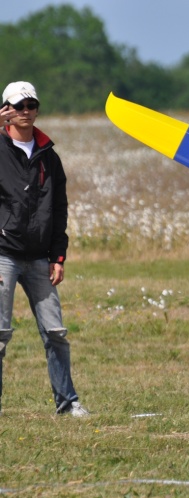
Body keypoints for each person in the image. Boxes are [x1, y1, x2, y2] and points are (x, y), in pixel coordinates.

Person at [0, 81, 89, 417]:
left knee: (56, 333)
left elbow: (59, 209)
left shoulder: (49, 157)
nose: (26, 112)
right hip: (3, 254)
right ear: (6, 110)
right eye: (18, 106)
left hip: (39, 258)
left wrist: (59, 256)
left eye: (31, 105)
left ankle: (67, 403)